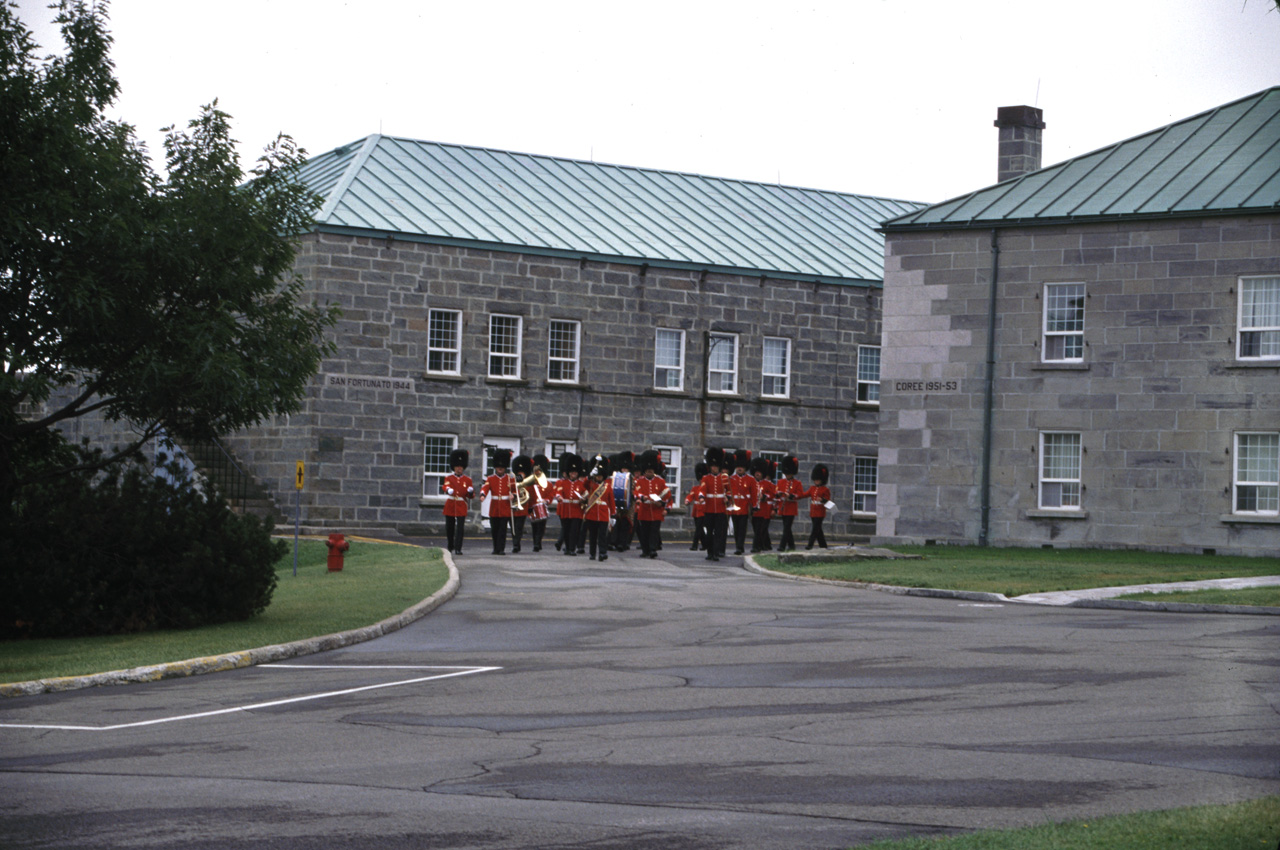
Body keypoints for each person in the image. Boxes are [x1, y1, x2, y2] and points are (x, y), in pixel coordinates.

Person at [633, 450, 671, 559]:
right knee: (644, 532)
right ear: (644, 471)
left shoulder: (660, 481)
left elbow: (667, 495)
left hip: (656, 510)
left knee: (654, 532)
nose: (649, 473)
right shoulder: (640, 481)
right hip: (644, 510)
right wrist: (641, 497)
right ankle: (645, 550)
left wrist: (663, 505)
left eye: (651, 471)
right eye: (647, 471)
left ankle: (653, 549)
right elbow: (636, 493)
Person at [480, 448, 515, 554]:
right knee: (494, 530)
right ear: (495, 467)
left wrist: (513, 495)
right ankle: (495, 548)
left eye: (502, 467)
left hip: (505, 508)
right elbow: (485, 488)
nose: (500, 468)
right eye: (498, 467)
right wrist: (483, 495)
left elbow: (516, 491)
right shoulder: (490, 479)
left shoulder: (510, 479)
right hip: (494, 508)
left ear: (505, 468)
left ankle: (501, 549)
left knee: (502, 530)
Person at [699, 448, 731, 561]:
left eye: (716, 466)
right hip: (709, 509)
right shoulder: (705, 478)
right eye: (712, 466)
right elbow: (702, 489)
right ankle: (710, 552)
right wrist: (702, 497)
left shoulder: (724, 478)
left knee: (719, 532)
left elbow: (729, 490)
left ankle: (716, 552)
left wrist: (728, 497)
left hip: (721, 509)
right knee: (709, 533)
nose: (714, 468)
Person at [581, 454, 615, 561]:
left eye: (600, 476)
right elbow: (584, 484)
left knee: (602, 536)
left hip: (604, 514)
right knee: (592, 536)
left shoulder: (607, 486)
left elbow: (611, 501)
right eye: (597, 476)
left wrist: (613, 514)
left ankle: (602, 553)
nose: (599, 477)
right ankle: (592, 553)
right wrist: (589, 475)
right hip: (592, 513)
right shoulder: (591, 484)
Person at [440, 448, 473, 555]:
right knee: (449, 528)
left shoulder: (468, 480)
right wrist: (448, 490)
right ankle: (450, 545)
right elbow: (445, 486)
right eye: (457, 466)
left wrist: (470, 492)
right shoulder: (449, 478)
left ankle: (458, 548)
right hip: (450, 504)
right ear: (454, 467)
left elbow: (471, 496)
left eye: (461, 466)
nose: (459, 468)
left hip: (461, 505)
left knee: (460, 529)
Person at [517, 453, 552, 552]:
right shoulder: (530, 483)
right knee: (534, 526)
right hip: (532, 507)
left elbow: (551, 494)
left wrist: (547, 500)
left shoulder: (548, 484)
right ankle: (535, 543)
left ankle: (538, 542)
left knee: (541, 527)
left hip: (543, 507)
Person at [728, 449, 758, 555]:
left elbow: (754, 494)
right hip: (734, 507)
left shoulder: (751, 480)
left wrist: (754, 506)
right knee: (736, 529)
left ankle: (740, 547)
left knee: (742, 529)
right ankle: (738, 545)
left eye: (742, 467)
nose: (739, 468)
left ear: (745, 467)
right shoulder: (731, 479)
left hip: (745, 507)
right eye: (738, 466)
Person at [554, 452, 585, 556]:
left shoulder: (581, 484)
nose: (573, 474)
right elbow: (558, 492)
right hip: (565, 509)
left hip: (576, 510)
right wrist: (559, 497)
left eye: (575, 473)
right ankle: (567, 548)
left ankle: (572, 548)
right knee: (566, 530)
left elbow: (585, 494)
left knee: (574, 531)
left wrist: (583, 498)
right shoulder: (563, 483)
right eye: (572, 473)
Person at [608, 451, 636, 552]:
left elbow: (635, 490)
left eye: (626, 468)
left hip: (629, 505)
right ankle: (614, 541)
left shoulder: (632, 479)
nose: (624, 470)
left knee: (625, 524)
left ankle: (622, 543)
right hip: (617, 504)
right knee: (616, 523)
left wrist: (633, 493)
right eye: (623, 468)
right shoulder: (617, 477)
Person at [775, 455, 804, 552]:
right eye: (787, 473)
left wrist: (791, 496)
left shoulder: (797, 483)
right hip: (783, 508)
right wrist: (779, 494)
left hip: (791, 508)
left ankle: (782, 546)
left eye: (789, 473)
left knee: (786, 528)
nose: (788, 475)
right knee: (787, 528)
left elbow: (800, 494)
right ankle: (791, 545)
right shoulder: (780, 482)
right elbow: (776, 492)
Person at [750, 456, 776, 553]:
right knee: (756, 529)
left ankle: (755, 547)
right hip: (754, 510)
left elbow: (773, 495)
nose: (757, 473)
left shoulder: (767, 484)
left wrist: (765, 496)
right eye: (756, 471)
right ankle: (760, 545)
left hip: (763, 510)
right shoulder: (751, 482)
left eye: (759, 472)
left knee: (759, 530)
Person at [805, 463, 832, 549]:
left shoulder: (825, 490)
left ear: (822, 480)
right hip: (813, 512)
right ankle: (823, 546)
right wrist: (795, 496)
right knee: (818, 530)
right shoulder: (812, 488)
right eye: (815, 479)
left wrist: (822, 500)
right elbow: (804, 494)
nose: (816, 481)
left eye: (818, 480)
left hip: (820, 512)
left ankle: (810, 545)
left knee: (815, 530)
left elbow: (828, 501)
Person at [510, 454, 533, 553]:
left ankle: (516, 544)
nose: (520, 474)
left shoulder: (528, 483)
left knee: (519, 528)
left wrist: (531, 508)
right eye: (518, 472)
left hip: (523, 509)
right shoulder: (511, 481)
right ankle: (515, 543)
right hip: (512, 508)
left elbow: (532, 496)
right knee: (513, 528)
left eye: (522, 473)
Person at [685, 462, 708, 551]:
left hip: (703, 510)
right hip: (696, 511)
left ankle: (695, 545)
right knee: (700, 529)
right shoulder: (695, 488)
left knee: (698, 529)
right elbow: (691, 495)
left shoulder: (706, 488)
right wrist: (687, 500)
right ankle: (705, 544)